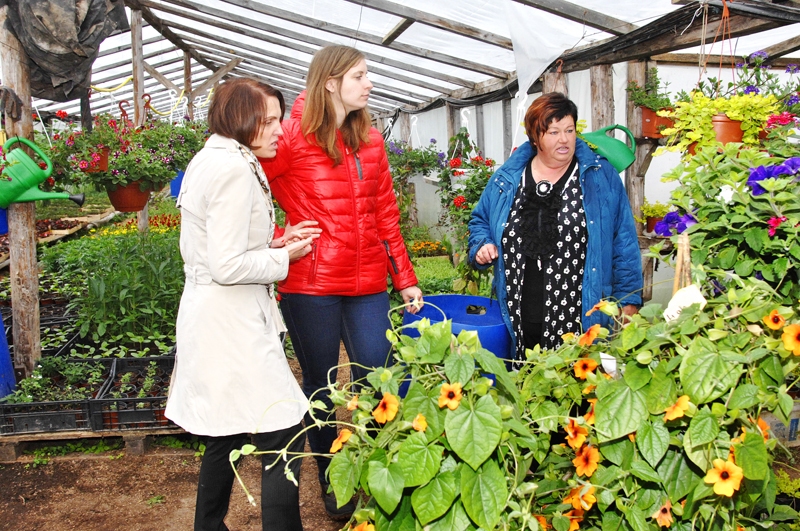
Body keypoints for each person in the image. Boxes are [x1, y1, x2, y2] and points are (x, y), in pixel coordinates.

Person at [260, 45, 423, 519]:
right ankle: (335, 478)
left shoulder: (371, 140)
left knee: (380, 373)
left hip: (369, 281)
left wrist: (405, 278)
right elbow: (248, 192)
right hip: (310, 284)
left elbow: (386, 214)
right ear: (330, 82)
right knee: (321, 385)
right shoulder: (290, 137)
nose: (369, 82)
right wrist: (277, 238)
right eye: (360, 74)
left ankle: (380, 466)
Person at [165, 77, 320, 531]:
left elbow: (221, 245)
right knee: (282, 425)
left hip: (217, 313)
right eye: (269, 121)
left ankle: (208, 526)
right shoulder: (232, 168)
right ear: (241, 120)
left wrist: (275, 239)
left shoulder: (216, 157)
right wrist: (283, 255)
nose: (279, 130)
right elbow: (227, 265)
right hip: (229, 319)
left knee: (226, 428)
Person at [468, 92, 642, 359]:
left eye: (569, 130)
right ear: (535, 137)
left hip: (579, 310)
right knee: (525, 382)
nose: (564, 139)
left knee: (574, 386)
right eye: (553, 132)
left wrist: (628, 301)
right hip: (518, 309)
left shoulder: (599, 177)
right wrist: (482, 244)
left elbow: (624, 241)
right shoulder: (508, 178)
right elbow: (480, 219)